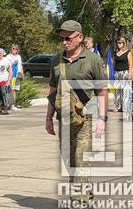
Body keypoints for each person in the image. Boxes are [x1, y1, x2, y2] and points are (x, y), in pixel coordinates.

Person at [45, 20, 107, 204]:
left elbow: (102, 91)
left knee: (81, 162)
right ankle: (86, 199)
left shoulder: (93, 60)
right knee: (70, 164)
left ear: (79, 37)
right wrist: (48, 117)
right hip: (64, 119)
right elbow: (52, 90)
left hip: (86, 119)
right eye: (61, 38)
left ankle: (77, 202)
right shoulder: (57, 60)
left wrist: (102, 118)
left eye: (68, 38)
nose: (64, 42)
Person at [112, 37, 133, 114]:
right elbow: (114, 64)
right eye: (117, 43)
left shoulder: (128, 53)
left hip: (125, 73)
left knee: (126, 90)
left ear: (124, 44)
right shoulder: (115, 53)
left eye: (120, 43)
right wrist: (113, 74)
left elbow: (130, 64)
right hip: (117, 73)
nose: (118, 44)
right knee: (117, 90)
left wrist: (130, 74)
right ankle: (118, 107)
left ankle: (126, 107)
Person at [0, 48, 12, 115]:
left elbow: (10, 71)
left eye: (0, 53)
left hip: (4, 81)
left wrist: (9, 81)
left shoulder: (6, 60)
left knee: (4, 95)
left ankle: (5, 110)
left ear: (3, 53)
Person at [6, 44, 24, 109]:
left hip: (18, 75)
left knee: (16, 89)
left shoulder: (19, 56)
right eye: (13, 48)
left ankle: (14, 103)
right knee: (12, 89)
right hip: (12, 75)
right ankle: (12, 105)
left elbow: (20, 65)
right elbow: (7, 65)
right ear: (11, 49)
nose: (14, 50)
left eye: (16, 49)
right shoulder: (8, 56)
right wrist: (13, 62)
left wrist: (22, 74)